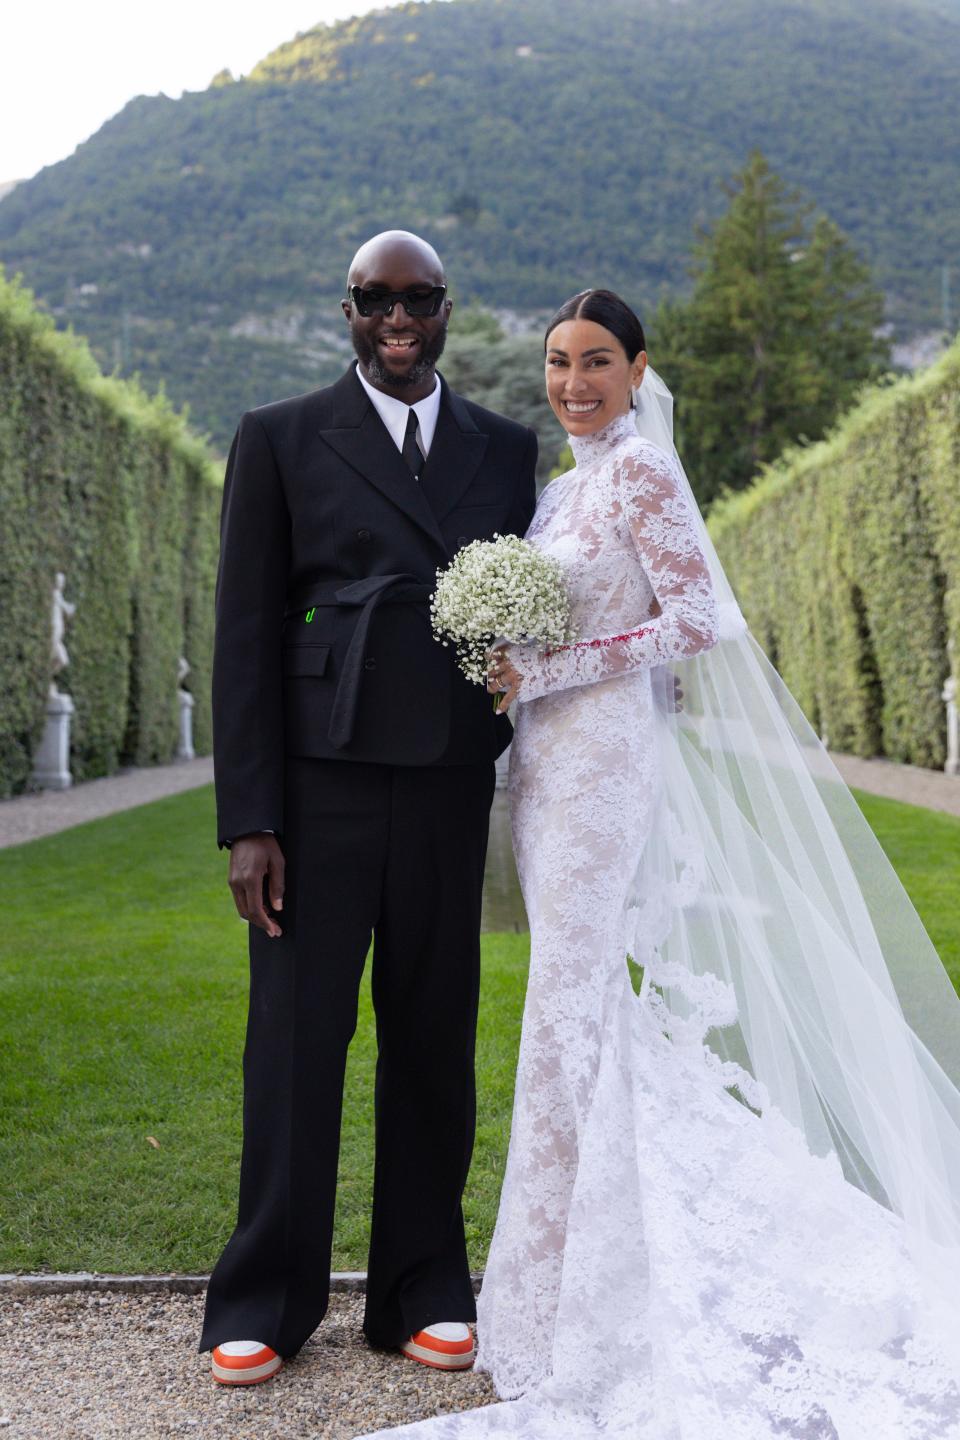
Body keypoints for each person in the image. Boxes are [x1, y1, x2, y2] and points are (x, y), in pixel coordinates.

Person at [361, 290, 960, 1437]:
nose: (574, 382)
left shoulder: (642, 473)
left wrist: (555, 667)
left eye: (596, 362)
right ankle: (578, 1277)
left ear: (638, 370)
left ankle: (555, 1312)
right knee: (571, 1015)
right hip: (543, 769)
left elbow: (700, 619)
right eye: (557, 363)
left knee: (567, 1017)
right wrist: (512, 651)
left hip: (603, 769)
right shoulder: (559, 489)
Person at [199, 230, 537, 1385]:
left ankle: (423, 1286)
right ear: (346, 310)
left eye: (419, 300)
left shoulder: (504, 448)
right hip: (316, 788)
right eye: (373, 300)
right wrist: (250, 819)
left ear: (447, 309)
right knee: (295, 1043)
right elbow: (242, 634)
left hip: (447, 781)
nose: (397, 319)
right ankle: (263, 1298)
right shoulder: (281, 438)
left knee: (434, 1038)